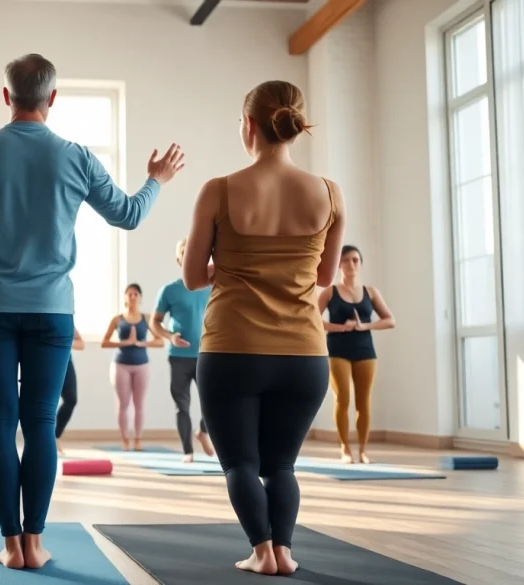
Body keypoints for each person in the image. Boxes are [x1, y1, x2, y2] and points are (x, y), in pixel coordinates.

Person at [0, 53, 183, 570]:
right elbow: (129, 214)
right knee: (40, 422)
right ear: (52, 98)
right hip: (52, 313)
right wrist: (156, 180)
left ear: (6, 96)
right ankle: (35, 542)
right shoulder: (76, 157)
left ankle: (11, 546)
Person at [182, 80, 346, 576]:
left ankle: (261, 551)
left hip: (232, 351)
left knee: (241, 465)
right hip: (304, 355)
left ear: (249, 125)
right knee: (281, 466)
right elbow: (325, 276)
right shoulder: (329, 193)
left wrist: (228, 266)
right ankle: (285, 552)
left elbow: (193, 278)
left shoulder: (218, 190)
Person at [318, 245, 395, 464]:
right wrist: (339, 327)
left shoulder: (371, 292)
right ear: (339, 264)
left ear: (360, 263)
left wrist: (364, 326)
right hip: (337, 351)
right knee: (342, 399)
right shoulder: (330, 292)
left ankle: (362, 450)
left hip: (365, 352)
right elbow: (311, 319)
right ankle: (345, 449)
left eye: (355, 260)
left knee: (364, 402)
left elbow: (390, 320)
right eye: (346, 260)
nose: (351, 264)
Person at [149, 239, 216, 462]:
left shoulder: (212, 287)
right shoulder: (169, 290)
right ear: (179, 259)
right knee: (182, 406)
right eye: (183, 252)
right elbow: (154, 322)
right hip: (178, 357)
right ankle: (188, 451)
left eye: (192, 252)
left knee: (214, 403)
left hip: (206, 355)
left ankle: (203, 432)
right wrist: (170, 336)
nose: (188, 255)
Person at [101, 284, 162, 451]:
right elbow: (104, 342)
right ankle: (124, 440)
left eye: (136, 294)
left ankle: (138, 440)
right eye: (129, 294)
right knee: (123, 403)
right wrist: (125, 343)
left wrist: (141, 343)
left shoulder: (147, 318)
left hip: (142, 365)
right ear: (125, 297)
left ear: (140, 297)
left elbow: (160, 341)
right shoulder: (117, 319)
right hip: (120, 365)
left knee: (139, 403)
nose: (133, 296)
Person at [54, 328, 84, 455]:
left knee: (71, 399)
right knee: (45, 403)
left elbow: (81, 344)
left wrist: (65, 341)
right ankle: (45, 440)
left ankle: (56, 436)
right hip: (43, 360)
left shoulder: (66, 320)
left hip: (65, 362)